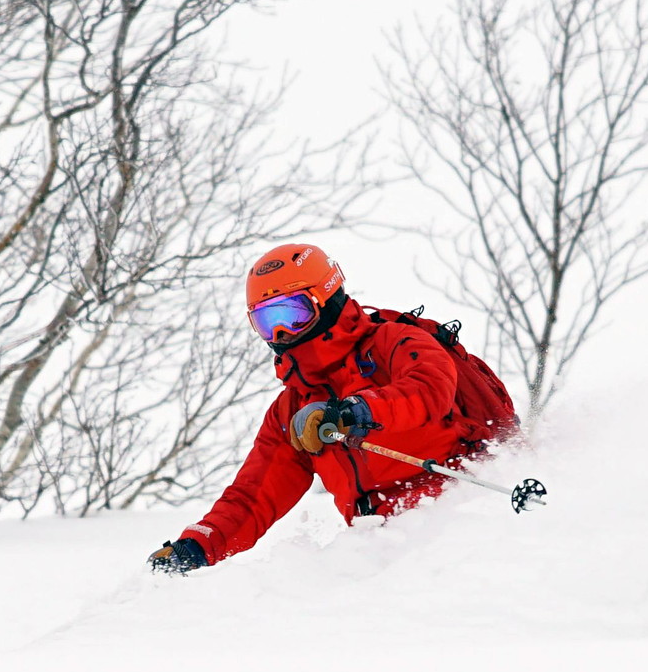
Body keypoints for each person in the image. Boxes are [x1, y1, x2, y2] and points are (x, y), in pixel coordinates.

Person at [147, 244, 468, 575]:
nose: (281, 333)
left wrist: (353, 412)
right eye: (267, 321)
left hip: (459, 515)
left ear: (326, 299)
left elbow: (430, 388)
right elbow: (252, 496)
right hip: (380, 549)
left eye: (292, 314)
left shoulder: (393, 343)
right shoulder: (291, 411)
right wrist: (197, 546)